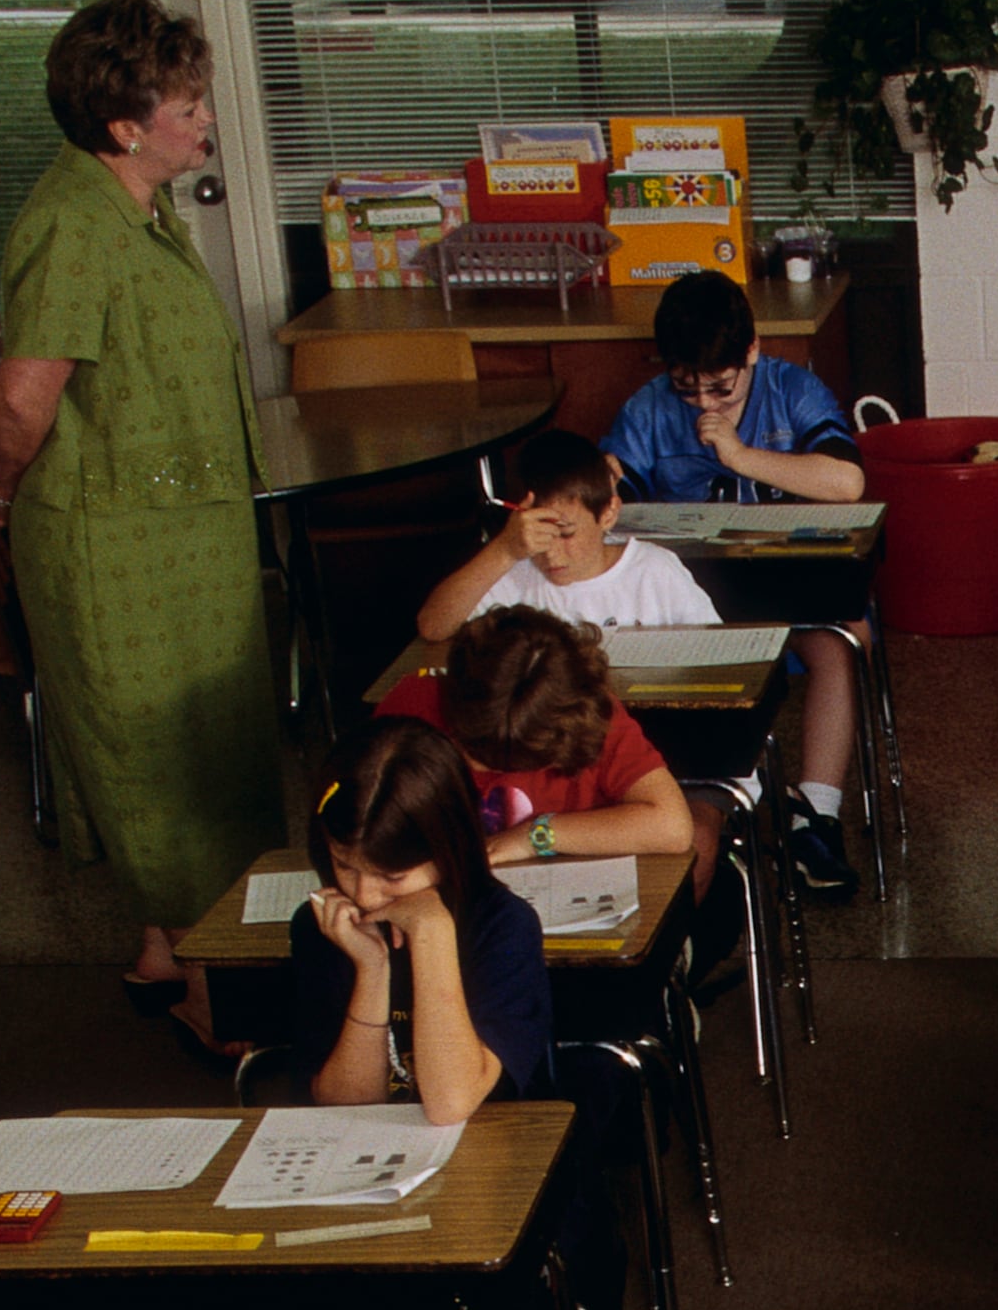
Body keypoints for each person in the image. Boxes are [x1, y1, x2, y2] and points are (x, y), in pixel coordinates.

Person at [0, 0, 285, 1054]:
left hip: (175, 532)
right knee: (156, 756)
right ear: (125, 126)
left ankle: (164, 948)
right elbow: (25, 396)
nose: (205, 119)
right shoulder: (71, 225)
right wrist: (2, 483)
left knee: (206, 744)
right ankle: (210, 984)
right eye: (188, 103)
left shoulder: (136, 209)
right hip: (114, 545)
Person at [599, 270, 870, 901]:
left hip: (783, 582)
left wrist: (739, 455)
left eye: (721, 388)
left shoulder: (790, 389)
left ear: (752, 351)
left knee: (838, 639)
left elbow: (847, 484)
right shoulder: (647, 408)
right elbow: (614, 503)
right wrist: (602, 480)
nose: (703, 404)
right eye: (686, 388)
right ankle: (700, 810)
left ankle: (816, 815)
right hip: (688, 590)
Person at [283, 718, 555, 1122]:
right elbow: (344, 1111)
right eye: (345, 866)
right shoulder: (324, 926)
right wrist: (371, 970)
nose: (364, 895)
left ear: (448, 849)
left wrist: (432, 935)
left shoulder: (503, 926)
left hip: (497, 1158)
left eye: (392, 877)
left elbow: (451, 1104)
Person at [377, 605, 696, 874]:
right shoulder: (409, 709)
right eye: (473, 750)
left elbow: (673, 827)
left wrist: (534, 835)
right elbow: (369, 832)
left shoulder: (585, 714)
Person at [414, 427, 723, 640]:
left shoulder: (655, 571)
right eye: (538, 533)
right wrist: (505, 550)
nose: (551, 553)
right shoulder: (515, 568)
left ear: (608, 514)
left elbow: (715, 649)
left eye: (566, 534)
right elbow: (432, 627)